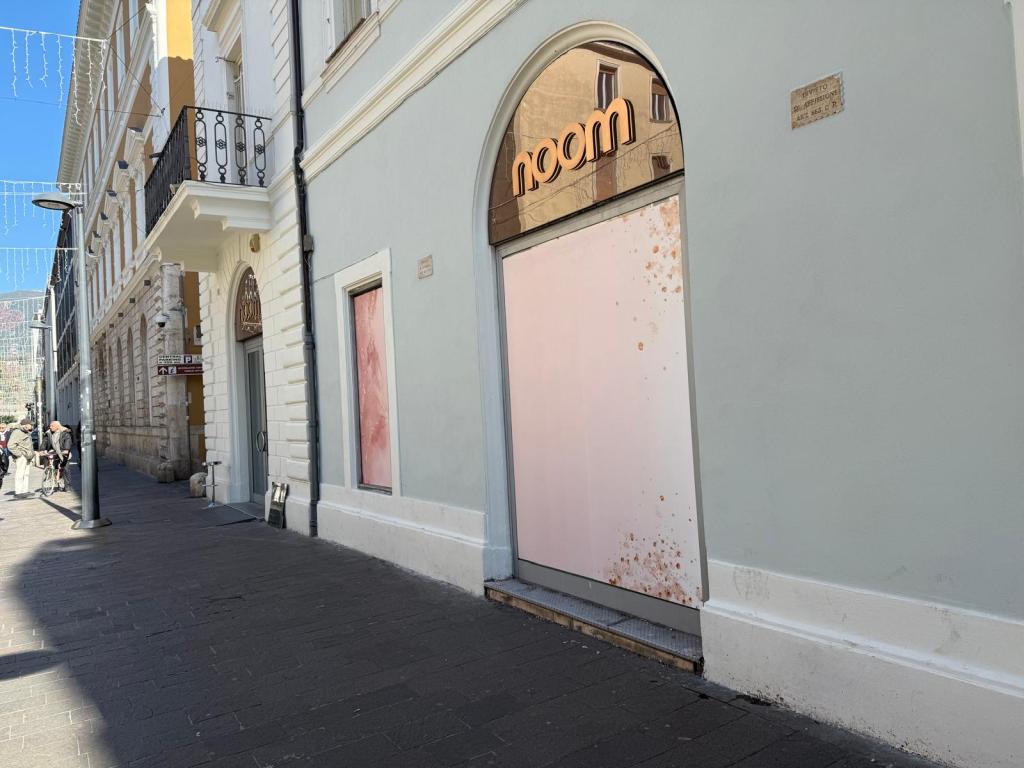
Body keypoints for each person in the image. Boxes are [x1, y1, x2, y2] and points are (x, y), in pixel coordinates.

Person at [42, 421, 74, 491]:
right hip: (55, 452)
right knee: (54, 468)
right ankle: (56, 482)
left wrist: (66, 449)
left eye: (52, 426)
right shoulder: (48, 433)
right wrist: (42, 449)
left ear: (57, 426)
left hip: (63, 453)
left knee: (65, 469)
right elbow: (45, 441)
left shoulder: (65, 433)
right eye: (50, 426)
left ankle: (67, 486)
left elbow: (67, 441)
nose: (50, 427)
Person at [8, 418, 35, 498]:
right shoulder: (17, 432)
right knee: (20, 474)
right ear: (26, 425)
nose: (32, 425)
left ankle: (24, 491)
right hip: (22, 457)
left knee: (26, 474)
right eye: (31, 424)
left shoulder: (26, 432)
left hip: (28, 456)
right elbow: (10, 446)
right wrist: (19, 455)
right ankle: (18, 492)